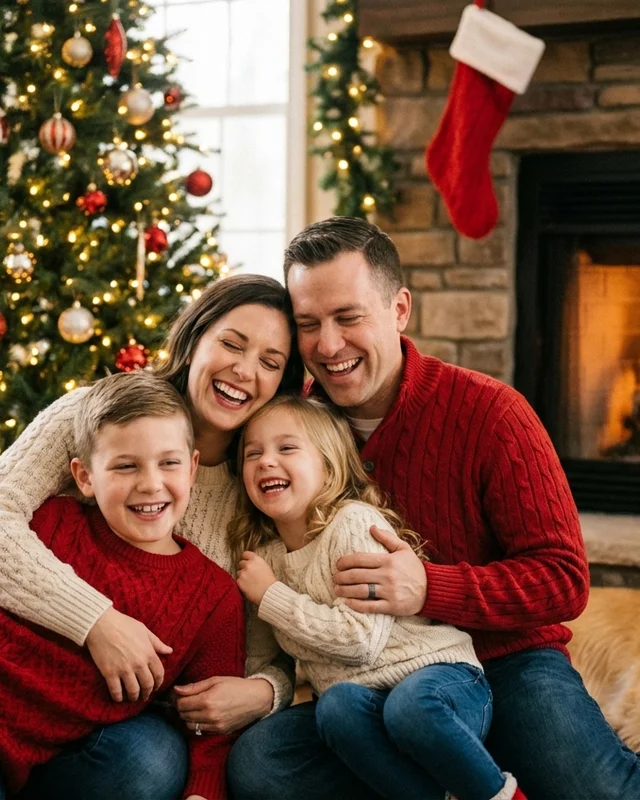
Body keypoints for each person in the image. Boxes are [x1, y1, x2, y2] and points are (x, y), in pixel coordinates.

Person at [227, 217, 640, 800]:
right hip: (367, 675)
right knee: (259, 766)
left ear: (399, 309)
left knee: (599, 791)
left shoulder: (492, 413)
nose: (328, 345)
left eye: (348, 317)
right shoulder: (288, 428)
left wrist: (429, 588)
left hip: (505, 661)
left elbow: (564, 580)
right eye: (308, 324)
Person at [0, 274, 304, 799]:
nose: (244, 370)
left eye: (270, 362)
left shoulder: (262, 484)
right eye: (232, 344)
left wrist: (265, 691)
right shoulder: (99, 413)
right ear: (194, 338)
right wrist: (95, 621)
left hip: (124, 718)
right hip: (29, 672)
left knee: (153, 761)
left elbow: (261, 648)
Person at [230, 394, 527, 800]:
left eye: (286, 448)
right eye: (253, 453)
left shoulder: (351, 524)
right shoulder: (264, 561)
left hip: (441, 687)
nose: (266, 461)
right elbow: (262, 656)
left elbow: (360, 641)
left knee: (409, 706)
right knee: (297, 731)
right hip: (362, 707)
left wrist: (272, 596)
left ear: (329, 466)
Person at [0, 371, 244, 800]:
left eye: (168, 463)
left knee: (150, 760)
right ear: (84, 477)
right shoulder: (51, 522)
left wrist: (202, 794)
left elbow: (211, 727)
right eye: (126, 466)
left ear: (192, 469)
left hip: (48, 762)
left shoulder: (213, 597)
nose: (150, 484)